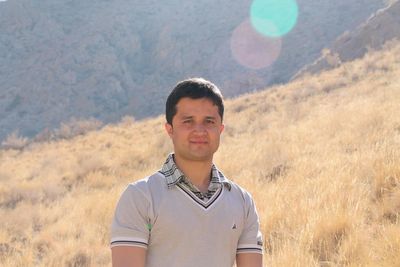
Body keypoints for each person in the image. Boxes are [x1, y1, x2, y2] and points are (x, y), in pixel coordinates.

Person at [110, 78, 263, 267]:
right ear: (170, 129)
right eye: (188, 121)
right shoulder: (141, 197)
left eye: (209, 121)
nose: (199, 130)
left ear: (220, 129)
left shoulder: (242, 202)